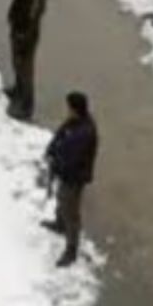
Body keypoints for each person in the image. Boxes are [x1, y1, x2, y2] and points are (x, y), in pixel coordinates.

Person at [43, 91, 99, 267]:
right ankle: (60, 223)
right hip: (66, 173)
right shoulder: (75, 122)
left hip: (74, 177)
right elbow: (60, 135)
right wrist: (51, 150)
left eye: (69, 108)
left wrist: (57, 165)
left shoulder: (84, 133)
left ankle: (71, 249)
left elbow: (72, 159)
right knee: (61, 198)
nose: (67, 111)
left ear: (75, 109)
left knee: (71, 210)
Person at [5, 0, 47, 121]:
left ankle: (26, 107)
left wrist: (24, 37)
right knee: (17, 64)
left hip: (26, 38)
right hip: (18, 34)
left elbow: (32, 20)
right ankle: (18, 90)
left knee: (26, 70)